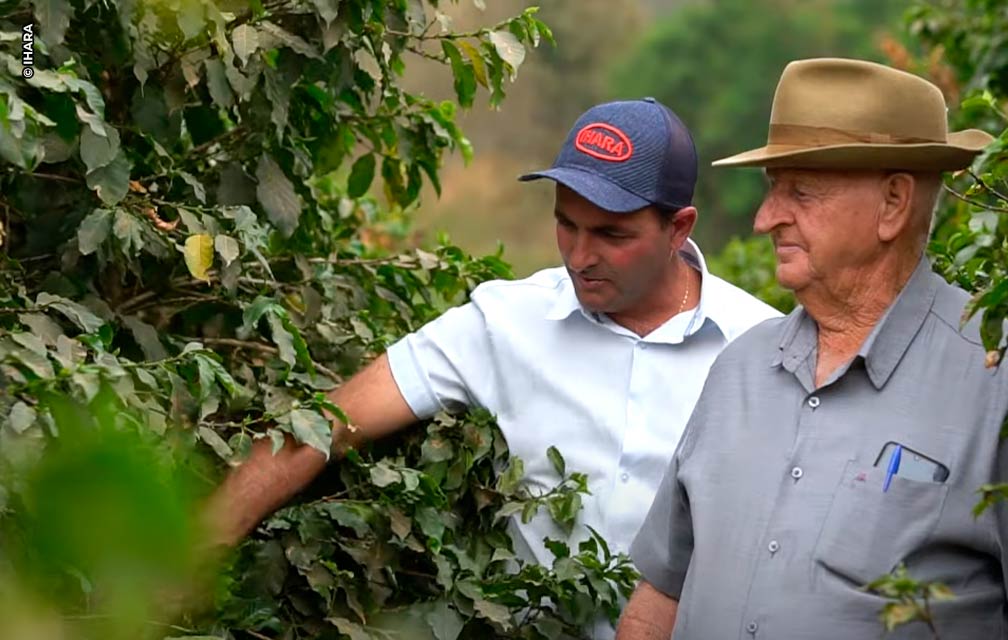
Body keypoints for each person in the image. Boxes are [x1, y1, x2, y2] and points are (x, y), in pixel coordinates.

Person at [204, 98, 781, 637]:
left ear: (679, 227)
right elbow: (324, 424)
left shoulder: (762, 346)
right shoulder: (505, 322)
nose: (580, 256)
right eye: (567, 225)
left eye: (612, 234)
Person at [617, 59, 1008, 640]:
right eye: (771, 191)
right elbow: (659, 594)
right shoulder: (738, 369)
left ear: (893, 203)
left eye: (800, 193)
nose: (765, 219)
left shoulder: (1002, 375)